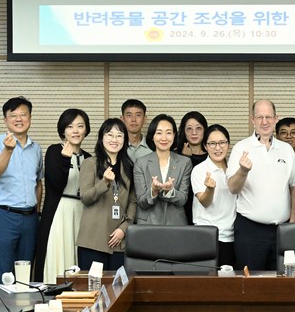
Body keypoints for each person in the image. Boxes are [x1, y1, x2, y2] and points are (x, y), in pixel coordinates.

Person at [227, 100, 295, 270]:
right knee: (250, 280)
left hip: (282, 229)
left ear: (276, 118)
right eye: (260, 117)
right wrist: (243, 171)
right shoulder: (241, 148)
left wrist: (293, 222)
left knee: (281, 279)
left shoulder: (286, 149)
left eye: (268, 117)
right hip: (250, 230)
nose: (264, 121)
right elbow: (232, 188)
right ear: (252, 119)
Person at [0, 96, 42, 284]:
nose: (19, 119)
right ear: (5, 120)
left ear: (30, 118)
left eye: (23, 115)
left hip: (30, 218)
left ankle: (22, 304)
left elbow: (38, 183)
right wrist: (8, 150)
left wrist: (36, 211)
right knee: (2, 272)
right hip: (4, 216)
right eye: (13, 115)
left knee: (25, 273)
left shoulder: (36, 149)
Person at [33, 109, 91, 284]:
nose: (75, 131)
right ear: (63, 130)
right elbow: (56, 185)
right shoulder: (54, 151)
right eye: (70, 126)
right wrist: (65, 160)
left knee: (79, 256)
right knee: (57, 253)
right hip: (59, 212)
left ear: (86, 130)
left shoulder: (89, 158)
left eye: (80, 126)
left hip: (82, 212)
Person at [76, 119, 136, 271]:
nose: (114, 140)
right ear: (101, 138)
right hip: (93, 239)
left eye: (119, 136)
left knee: (117, 284)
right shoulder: (90, 163)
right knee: (93, 284)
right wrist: (104, 182)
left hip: (119, 240)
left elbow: (133, 201)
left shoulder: (129, 167)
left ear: (125, 140)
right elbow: (86, 197)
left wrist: (124, 228)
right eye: (110, 135)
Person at [134, 114, 192, 225]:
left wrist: (170, 191)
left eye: (168, 133)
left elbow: (183, 199)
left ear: (174, 135)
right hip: (149, 224)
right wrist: (153, 191)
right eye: (159, 133)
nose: (164, 138)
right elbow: (141, 201)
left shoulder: (185, 162)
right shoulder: (140, 163)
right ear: (152, 136)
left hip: (175, 224)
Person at [192, 124, 237, 266]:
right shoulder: (200, 170)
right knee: (207, 278)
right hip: (207, 235)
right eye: (212, 144)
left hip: (231, 236)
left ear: (228, 144)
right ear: (205, 146)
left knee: (228, 277)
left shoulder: (234, 170)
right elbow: (204, 202)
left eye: (222, 142)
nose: (218, 148)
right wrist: (210, 189)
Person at [176, 111, 208, 224]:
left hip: (204, 211)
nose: (194, 132)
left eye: (198, 128)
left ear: (205, 130)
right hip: (180, 211)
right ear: (183, 131)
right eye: (189, 129)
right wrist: (184, 158)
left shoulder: (212, 155)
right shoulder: (175, 155)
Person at [121, 99, 151, 166]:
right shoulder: (116, 145)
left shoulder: (153, 146)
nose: (133, 120)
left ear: (144, 119)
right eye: (129, 115)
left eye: (138, 115)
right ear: (122, 119)